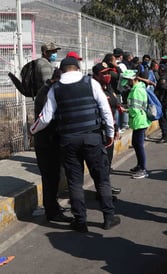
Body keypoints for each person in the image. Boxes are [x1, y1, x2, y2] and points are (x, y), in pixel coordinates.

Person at [30, 57, 121, 232]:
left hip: (68, 141)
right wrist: (110, 133)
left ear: (62, 70)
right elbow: (105, 110)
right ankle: (108, 217)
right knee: (101, 179)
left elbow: (45, 117)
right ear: (78, 68)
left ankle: (80, 220)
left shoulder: (55, 88)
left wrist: (32, 130)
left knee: (75, 182)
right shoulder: (91, 83)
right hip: (92, 138)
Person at [33, 42, 72, 223]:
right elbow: (47, 119)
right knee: (50, 178)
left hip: (47, 140)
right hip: (47, 141)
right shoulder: (48, 92)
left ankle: (53, 207)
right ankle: (52, 211)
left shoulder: (47, 89)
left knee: (52, 177)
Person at [92, 62, 122, 196]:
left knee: (107, 162)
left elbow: (113, 107)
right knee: (101, 164)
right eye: (104, 73)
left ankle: (106, 188)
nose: (107, 75)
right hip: (100, 131)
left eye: (108, 72)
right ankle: (102, 192)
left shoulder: (108, 87)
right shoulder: (95, 89)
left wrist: (115, 129)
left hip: (110, 129)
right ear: (96, 75)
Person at [121, 69, 152, 179]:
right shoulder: (137, 88)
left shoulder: (137, 90)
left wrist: (126, 110)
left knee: (139, 145)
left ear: (132, 80)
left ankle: (143, 168)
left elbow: (135, 109)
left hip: (139, 120)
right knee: (136, 143)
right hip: (138, 120)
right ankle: (139, 165)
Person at [154, 63, 167, 143]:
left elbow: (163, 89)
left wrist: (160, 100)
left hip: (162, 102)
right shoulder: (165, 77)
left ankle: (165, 136)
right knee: (166, 119)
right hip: (165, 102)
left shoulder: (163, 78)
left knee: (163, 119)